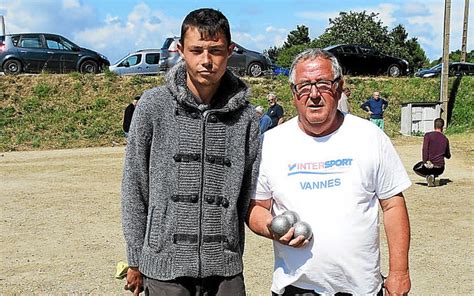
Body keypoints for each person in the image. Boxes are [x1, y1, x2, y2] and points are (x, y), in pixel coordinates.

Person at [247, 48, 411, 296]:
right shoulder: (270, 143)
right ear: (293, 93)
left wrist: (400, 272)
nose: (313, 95)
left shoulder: (369, 136)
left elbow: (393, 206)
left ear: (338, 87)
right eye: (304, 86)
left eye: (323, 84)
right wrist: (271, 227)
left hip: (361, 289)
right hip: (296, 289)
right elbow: (257, 207)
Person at [121, 8, 261, 296]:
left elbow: (251, 191)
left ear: (230, 51)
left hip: (225, 267)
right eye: (197, 50)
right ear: (181, 49)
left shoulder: (247, 118)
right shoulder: (152, 106)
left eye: (216, 51)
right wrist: (136, 258)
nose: (206, 61)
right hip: (164, 266)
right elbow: (134, 185)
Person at [413, 118, 451, 187]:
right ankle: (433, 177)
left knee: (416, 168)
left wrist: (425, 162)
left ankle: (429, 176)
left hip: (429, 166)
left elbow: (425, 149)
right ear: (442, 127)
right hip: (440, 168)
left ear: (434, 126)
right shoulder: (445, 139)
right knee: (435, 169)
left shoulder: (428, 135)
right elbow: (448, 155)